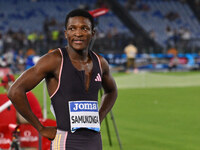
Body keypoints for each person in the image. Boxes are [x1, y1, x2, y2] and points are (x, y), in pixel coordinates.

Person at [8, 9, 118, 150]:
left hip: (94, 141)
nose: (78, 33)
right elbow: (15, 91)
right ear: (66, 34)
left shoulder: (100, 62)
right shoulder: (54, 60)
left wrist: (100, 115)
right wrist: (40, 128)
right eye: (72, 29)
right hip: (66, 141)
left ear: (93, 33)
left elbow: (112, 91)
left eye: (84, 28)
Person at [0, 74, 43, 150]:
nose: (4, 87)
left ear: (9, 84)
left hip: (33, 122)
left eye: (5, 85)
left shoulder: (17, 93)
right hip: (32, 120)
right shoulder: (21, 91)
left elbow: (20, 117)